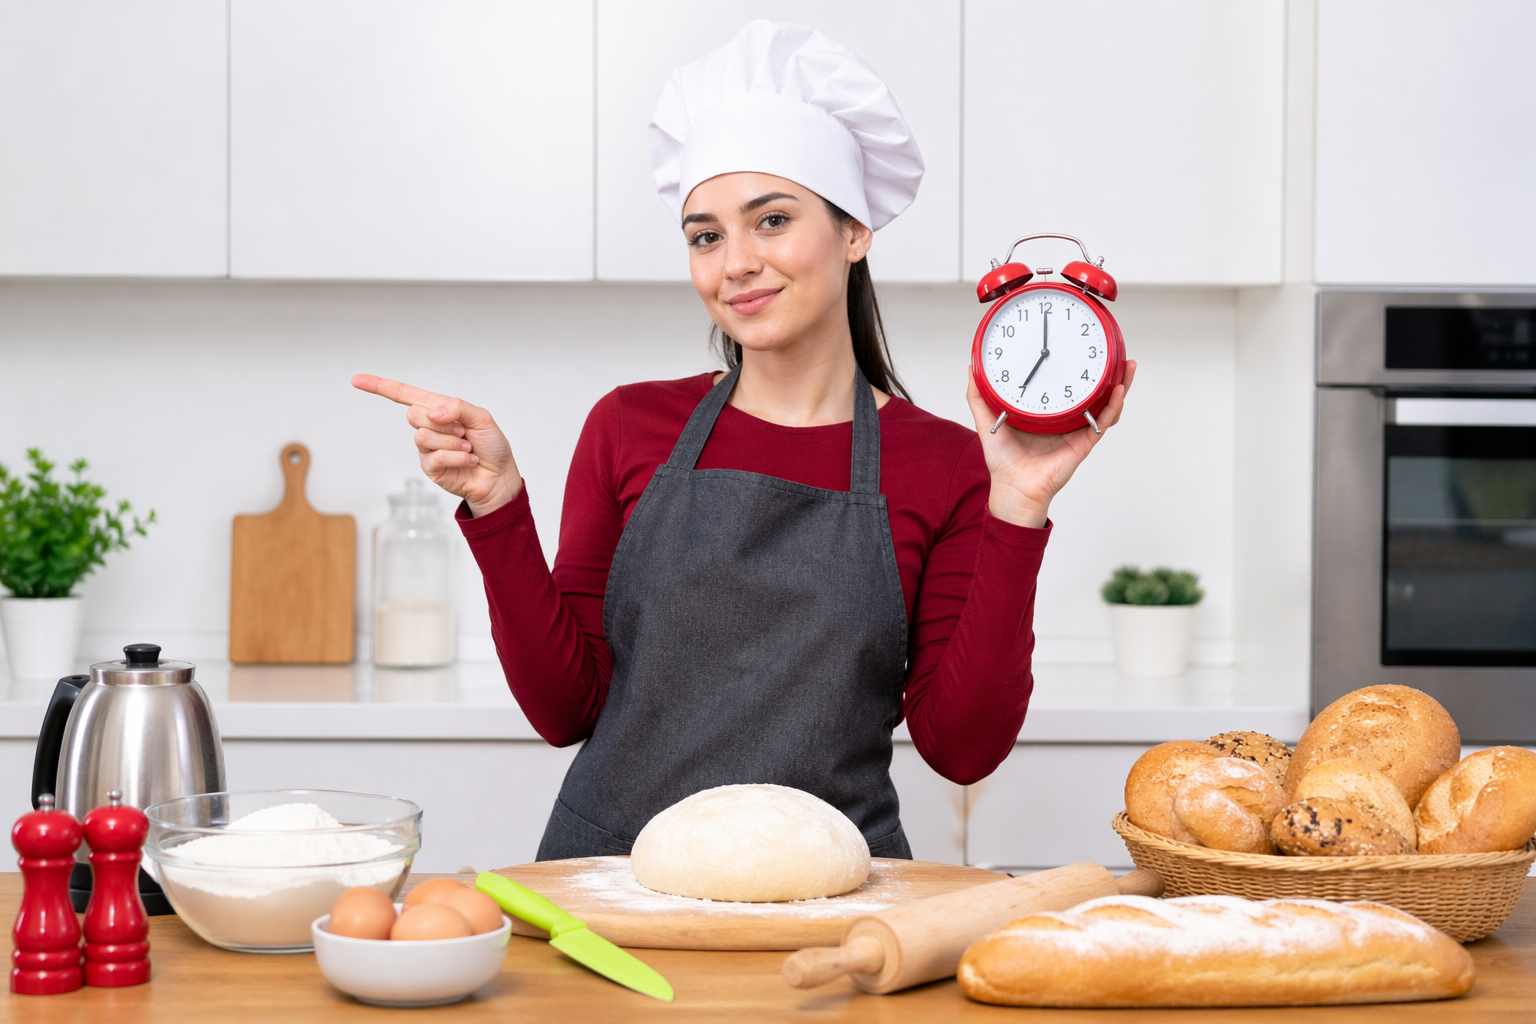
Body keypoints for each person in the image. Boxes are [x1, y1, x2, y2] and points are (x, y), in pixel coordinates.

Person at [354, 21, 1135, 860]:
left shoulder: (945, 463)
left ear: (855, 231)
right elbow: (564, 709)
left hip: (832, 893)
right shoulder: (628, 426)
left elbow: (963, 750)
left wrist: (1018, 509)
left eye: (772, 220)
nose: (735, 264)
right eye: (707, 235)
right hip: (616, 885)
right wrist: (498, 507)